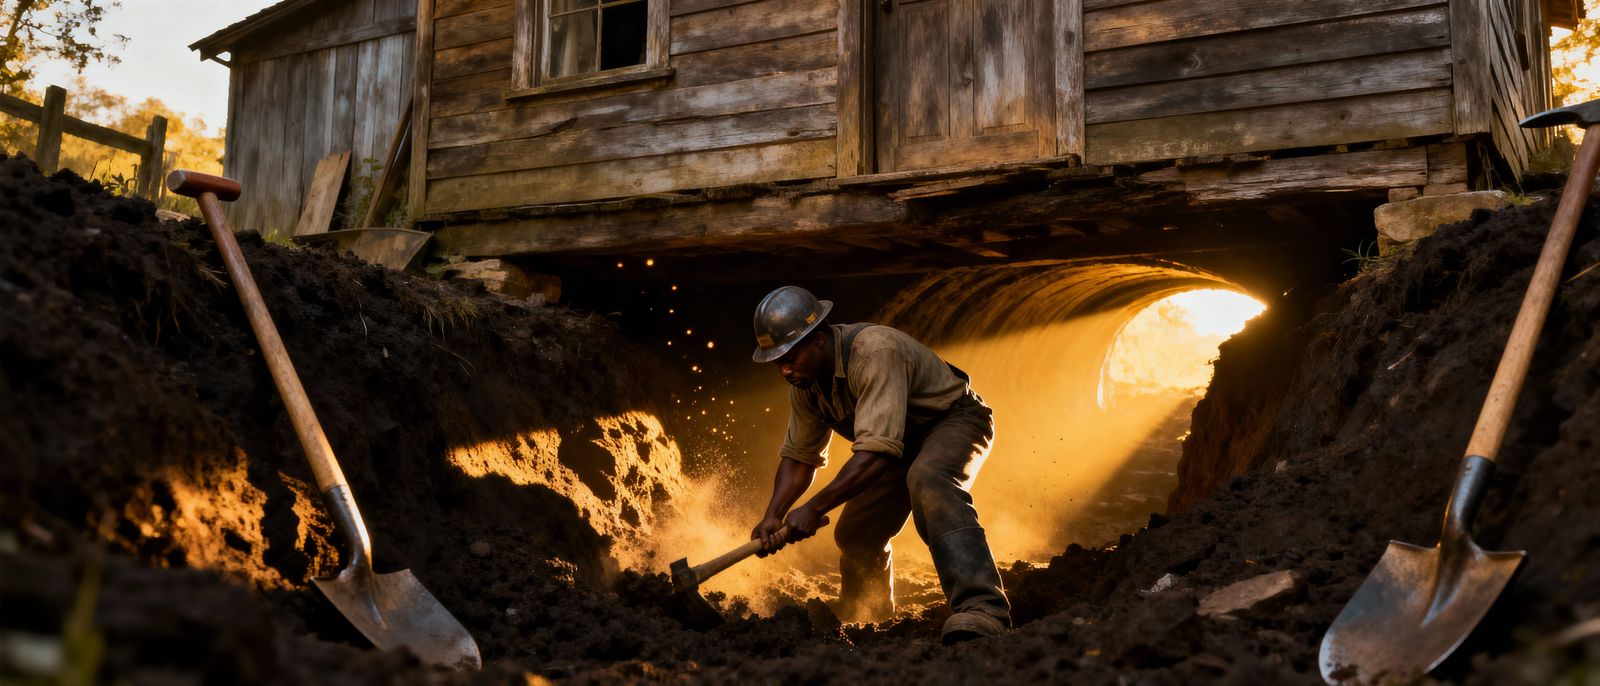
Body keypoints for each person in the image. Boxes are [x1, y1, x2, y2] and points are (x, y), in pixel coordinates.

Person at [747, 285, 1011, 643]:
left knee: (930, 477)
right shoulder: (805, 386)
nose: (785, 370)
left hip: (953, 420)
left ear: (819, 340)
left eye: (790, 357)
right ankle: (866, 618)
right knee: (856, 533)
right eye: (778, 362)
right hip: (898, 444)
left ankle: (982, 608)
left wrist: (813, 508)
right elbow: (799, 457)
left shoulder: (874, 352)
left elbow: (876, 454)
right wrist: (773, 515)